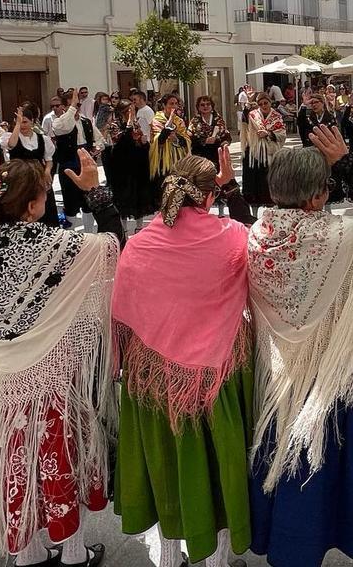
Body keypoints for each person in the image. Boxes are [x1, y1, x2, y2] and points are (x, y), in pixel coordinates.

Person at [248, 126, 353, 567]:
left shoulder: (255, 235)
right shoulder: (340, 236)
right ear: (319, 197)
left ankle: (294, 549)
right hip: (342, 376)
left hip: (284, 377)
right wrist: (347, 160)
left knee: (291, 471)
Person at [0, 148, 122, 566]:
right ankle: (73, 554)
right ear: (35, 204)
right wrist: (96, 194)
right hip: (51, 380)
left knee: (14, 464)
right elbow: (112, 246)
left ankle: (28, 555)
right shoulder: (57, 246)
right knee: (60, 460)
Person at [112, 150, 256, 567]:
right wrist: (233, 189)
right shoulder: (231, 236)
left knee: (164, 466)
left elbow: (124, 310)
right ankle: (215, 559)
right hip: (216, 373)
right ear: (211, 196)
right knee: (215, 466)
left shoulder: (139, 243)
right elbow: (257, 239)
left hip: (151, 377)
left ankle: (170, 555)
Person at [50, 90, 97, 229]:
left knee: (88, 201)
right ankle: (69, 236)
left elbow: (97, 138)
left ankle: (89, 235)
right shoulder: (59, 122)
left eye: (78, 105)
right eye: (73, 105)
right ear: (65, 107)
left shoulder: (86, 122)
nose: (76, 107)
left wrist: (96, 148)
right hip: (69, 165)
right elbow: (64, 127)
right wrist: (71, 109)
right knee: (70, 202)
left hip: (85, 163)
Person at [4, 107, 58, 226]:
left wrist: (47, 171)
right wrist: (17, 125)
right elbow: (11, 145)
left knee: (46, 212)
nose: (23, 125)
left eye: (25, 122)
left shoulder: (42, 139)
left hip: (39, 178)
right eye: (19, 122)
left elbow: (49, 159)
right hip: (20, 179)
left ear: (32, 121)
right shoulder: (12, 137)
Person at [104, 100, 152, 226]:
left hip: (137, 164)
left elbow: (141, 142)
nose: (131, 113)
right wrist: (129, 125)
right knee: (122, 197)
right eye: (127, 111)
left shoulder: (136, 124)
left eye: (132, 110)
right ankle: (124, 229)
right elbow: (119, 141)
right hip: (121, 166)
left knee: (138, 196)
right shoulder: (115, 125)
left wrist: (143, 142)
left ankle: (139, 227)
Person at [242, 94, 286, 213]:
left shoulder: (277, 116)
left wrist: (268, 134)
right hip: (254, 151)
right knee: (253, 184)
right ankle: (254, 213)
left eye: (265, 103)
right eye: (260, 104)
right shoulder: (253, 115)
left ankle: (271, 213)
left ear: (270, 103)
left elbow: (282, 134)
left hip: (270, 153)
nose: (263, 106)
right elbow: (244, 122)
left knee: (268, 183)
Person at [149, 94, 192, 200]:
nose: (174, 106)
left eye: (176, 104)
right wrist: (170, 122)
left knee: (178, 189)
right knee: (165, 189)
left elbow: (186, 140)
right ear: (164, 105)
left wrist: (176, 138)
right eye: (171, 103)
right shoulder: (156, 120)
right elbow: (159, 140)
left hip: (178, 159)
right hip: (162, 160)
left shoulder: (180, 121)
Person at [186, 95, 230, 172]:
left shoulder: (219, 120)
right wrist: (204, 141)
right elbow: (190, 138)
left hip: (217, 154)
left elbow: (226, 136)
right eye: (202, 105)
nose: (205, 106)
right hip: (201, 155)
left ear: (212, 106)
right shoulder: (194, 122)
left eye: (208, 104)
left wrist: (225, 142)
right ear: (198, 107)